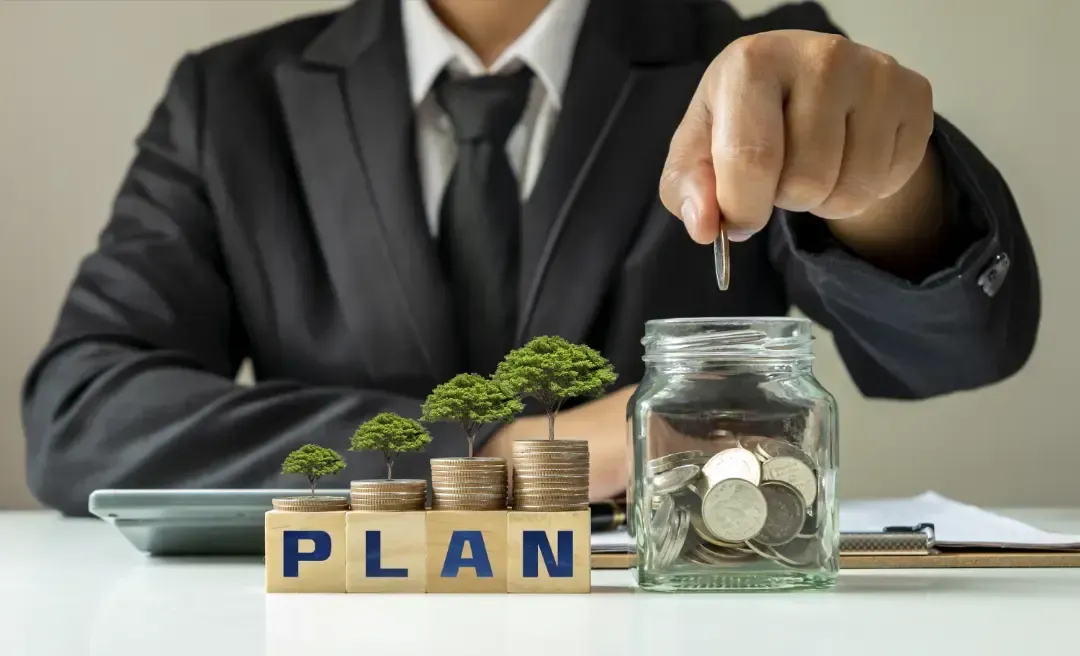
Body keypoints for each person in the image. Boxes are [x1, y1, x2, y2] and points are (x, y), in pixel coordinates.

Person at [22, 0, 1039, 516]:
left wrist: (887, 188)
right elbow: (86, 414)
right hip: (323, 647)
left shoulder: (749, 65)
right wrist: (512, 451)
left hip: (674, 648)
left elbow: (952, 352)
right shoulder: (228, 102)